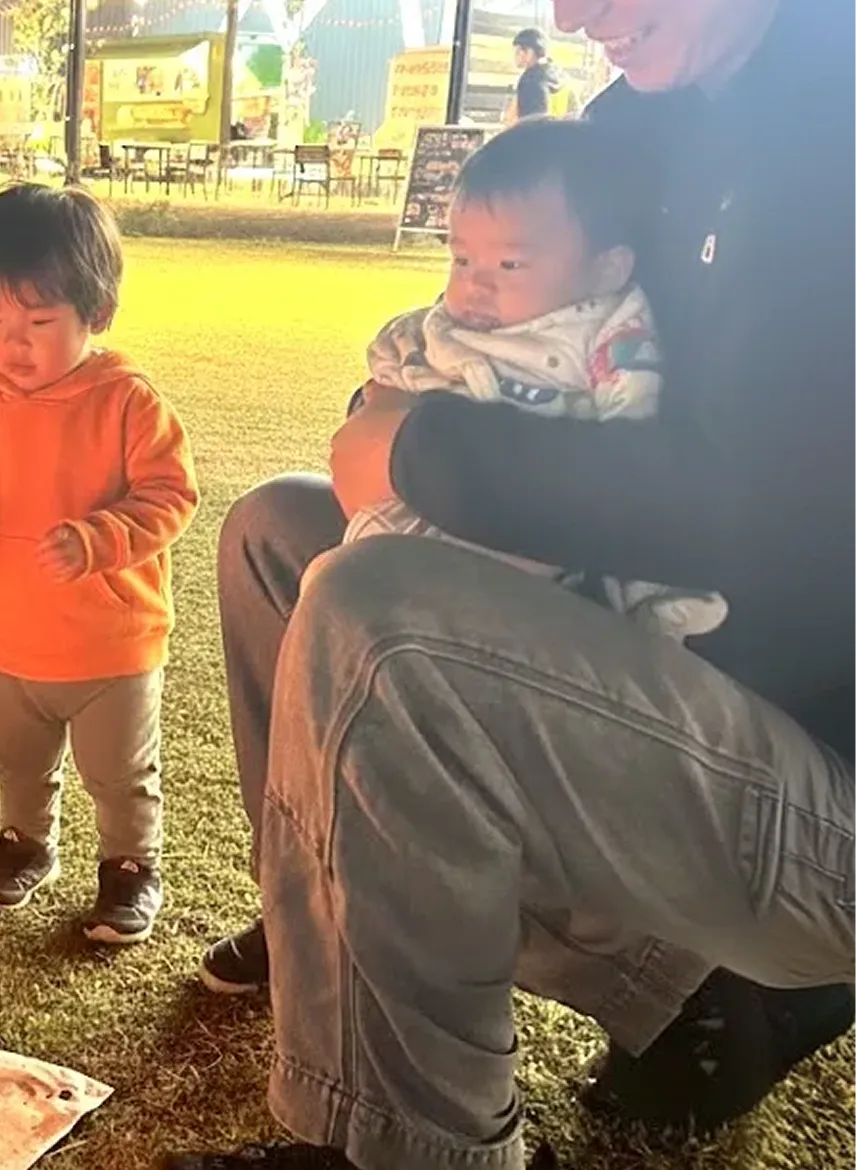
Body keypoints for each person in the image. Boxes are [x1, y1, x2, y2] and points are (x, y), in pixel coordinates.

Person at [174, 0, 856, 1166]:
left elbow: (757, 513)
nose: (570, 16)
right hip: (670, 683)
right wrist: (389, 420)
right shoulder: (642, 119)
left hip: (817, 775)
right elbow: (492, 331)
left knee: (376, 614)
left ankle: (418, 1148)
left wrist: (420, 452)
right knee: (278, 538)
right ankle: (353, 935)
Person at [0, 183, 198, 945]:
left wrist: (99, 539)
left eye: (38, 321)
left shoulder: (127, 400)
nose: (12, 343)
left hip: (111, 644)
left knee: (119, 773)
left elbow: (170, 495)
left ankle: (130, 865)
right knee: (16, 758)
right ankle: (24, 845)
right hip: (10, 639)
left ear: (97, 314)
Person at [350, 117, 725, 643]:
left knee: (347, 591)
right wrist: (377, 413)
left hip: (531, 542)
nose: (474, 283)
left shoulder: (603, 331)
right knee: (278, 525)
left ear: (606, 270)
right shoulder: (456, 323)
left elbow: (630, 444)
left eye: (510, 263)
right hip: (420, 508)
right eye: (460, 258)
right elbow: (393, 372)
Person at [505, 28, 574, 123]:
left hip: (537, 135)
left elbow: (528, 124)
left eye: (517, 51)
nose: (514, 56)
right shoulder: (561, 76)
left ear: (529, 52)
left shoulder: (530, 81)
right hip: (559, 134)